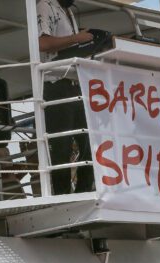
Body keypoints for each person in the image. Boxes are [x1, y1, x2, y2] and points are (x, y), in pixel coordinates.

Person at [36, 0, 94, 195]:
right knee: (61, 146)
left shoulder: (67, 10)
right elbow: (41, 43)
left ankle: (84, 191)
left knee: (91, 140)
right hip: (56, 85)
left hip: (75, 85)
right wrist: (76, 38)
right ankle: (62, 195)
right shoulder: (45, 5)